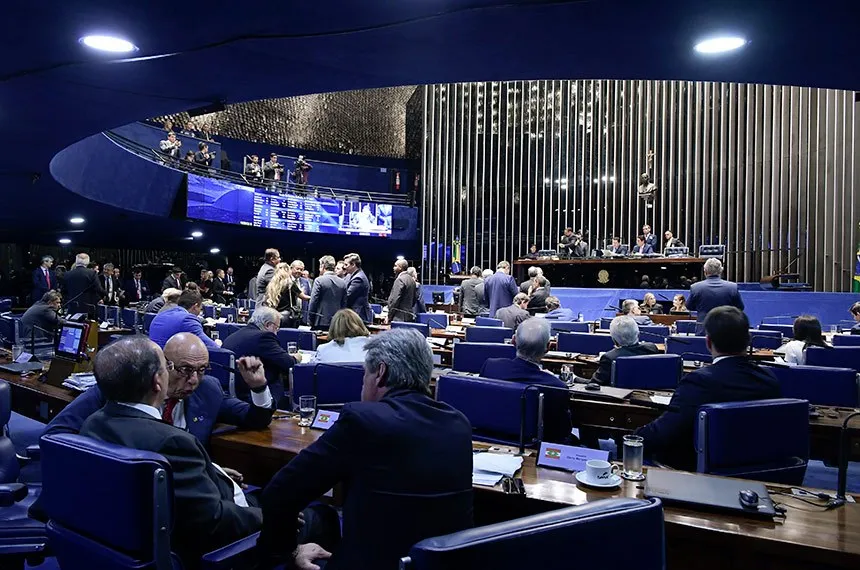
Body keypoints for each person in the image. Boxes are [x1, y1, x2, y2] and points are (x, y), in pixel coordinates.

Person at [256, 328, 473, 570]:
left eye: (364, 375)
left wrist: (287, 552)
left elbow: (279, 493)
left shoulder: (362, 419)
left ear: (380, 373)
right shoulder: (459, 423)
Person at [70, 337, 263, 566]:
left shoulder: (92, 424)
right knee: (306, 513)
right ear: (157, 381)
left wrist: (209, 469)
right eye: (169, 367)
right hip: (194, 533)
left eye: (201, 370)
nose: (193, 380)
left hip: (124, 534)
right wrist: (274, 519)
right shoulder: (173, 441)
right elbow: (214, 522)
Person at [44, 332, 275, 448]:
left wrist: (258, 387)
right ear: (164, 366)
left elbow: (255, 419)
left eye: (202, 369)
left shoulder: (208, 389)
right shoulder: (126, 388)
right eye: (185, 369)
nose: (194, 379)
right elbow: (54, 436)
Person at [635, 306, 780, 471]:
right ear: (749, 340)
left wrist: (634, 437)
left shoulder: (699, 381)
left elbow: (665, 433)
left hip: (698, 474)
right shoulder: (769, 379)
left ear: (708, 342)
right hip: (760, 472)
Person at [479, 318, 573, 444]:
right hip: (533, 446)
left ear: (513, 341)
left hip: (487, 439)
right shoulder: (557, 387)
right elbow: (561, 432)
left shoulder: (490, 366)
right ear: (548, 347)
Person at [221, 307, 297, 405]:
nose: (276, 333)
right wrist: (297, 357)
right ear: (268, 325)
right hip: (254, 395)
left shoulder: (233, 335)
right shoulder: (264, 337)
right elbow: (289, 363)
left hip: (233, 393)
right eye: (276, 328)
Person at [589, 316, 660, 385]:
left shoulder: (609, 358)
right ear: (638, 334)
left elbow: (594, 384)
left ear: (614, 339)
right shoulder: (652, 348)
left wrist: (577, 379)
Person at [687, 258, 745, 335]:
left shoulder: (695, 287)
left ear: (705, 272)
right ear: (721, 271)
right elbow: (740, 307)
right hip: (726, 330)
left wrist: (700, 307)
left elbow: (689, 306)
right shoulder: (732, 287)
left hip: (703, 330)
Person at [149, 289, 221, 349]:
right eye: (200, 308)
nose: (200, 312)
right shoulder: (188, 319)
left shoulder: (160, 315)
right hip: (171, 363)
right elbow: (211, 346)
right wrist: (217, 343)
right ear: (195, 306)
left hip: (155, 359)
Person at [308, 255, 347, 329]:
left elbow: (313, 302)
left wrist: (310, 320)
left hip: (320, 321)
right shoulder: (343, 282)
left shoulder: (319, 280)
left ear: (322, 266)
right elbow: (344, 304)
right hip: (337, 322)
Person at [62, 253, 105, 319]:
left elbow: (63, 291)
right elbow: (98, 289)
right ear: (87, 262)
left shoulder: (67, 274)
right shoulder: (92, 273)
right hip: (88, 308)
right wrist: (106, 294)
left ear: (76, 261)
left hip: (72, 307)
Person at [342, 253, 373, 323]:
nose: (344, 267)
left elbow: (347, 295)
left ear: (353, 265)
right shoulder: (351, 275)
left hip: (359, 315)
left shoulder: (358, 278)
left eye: (346, 265)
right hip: (355, 314)